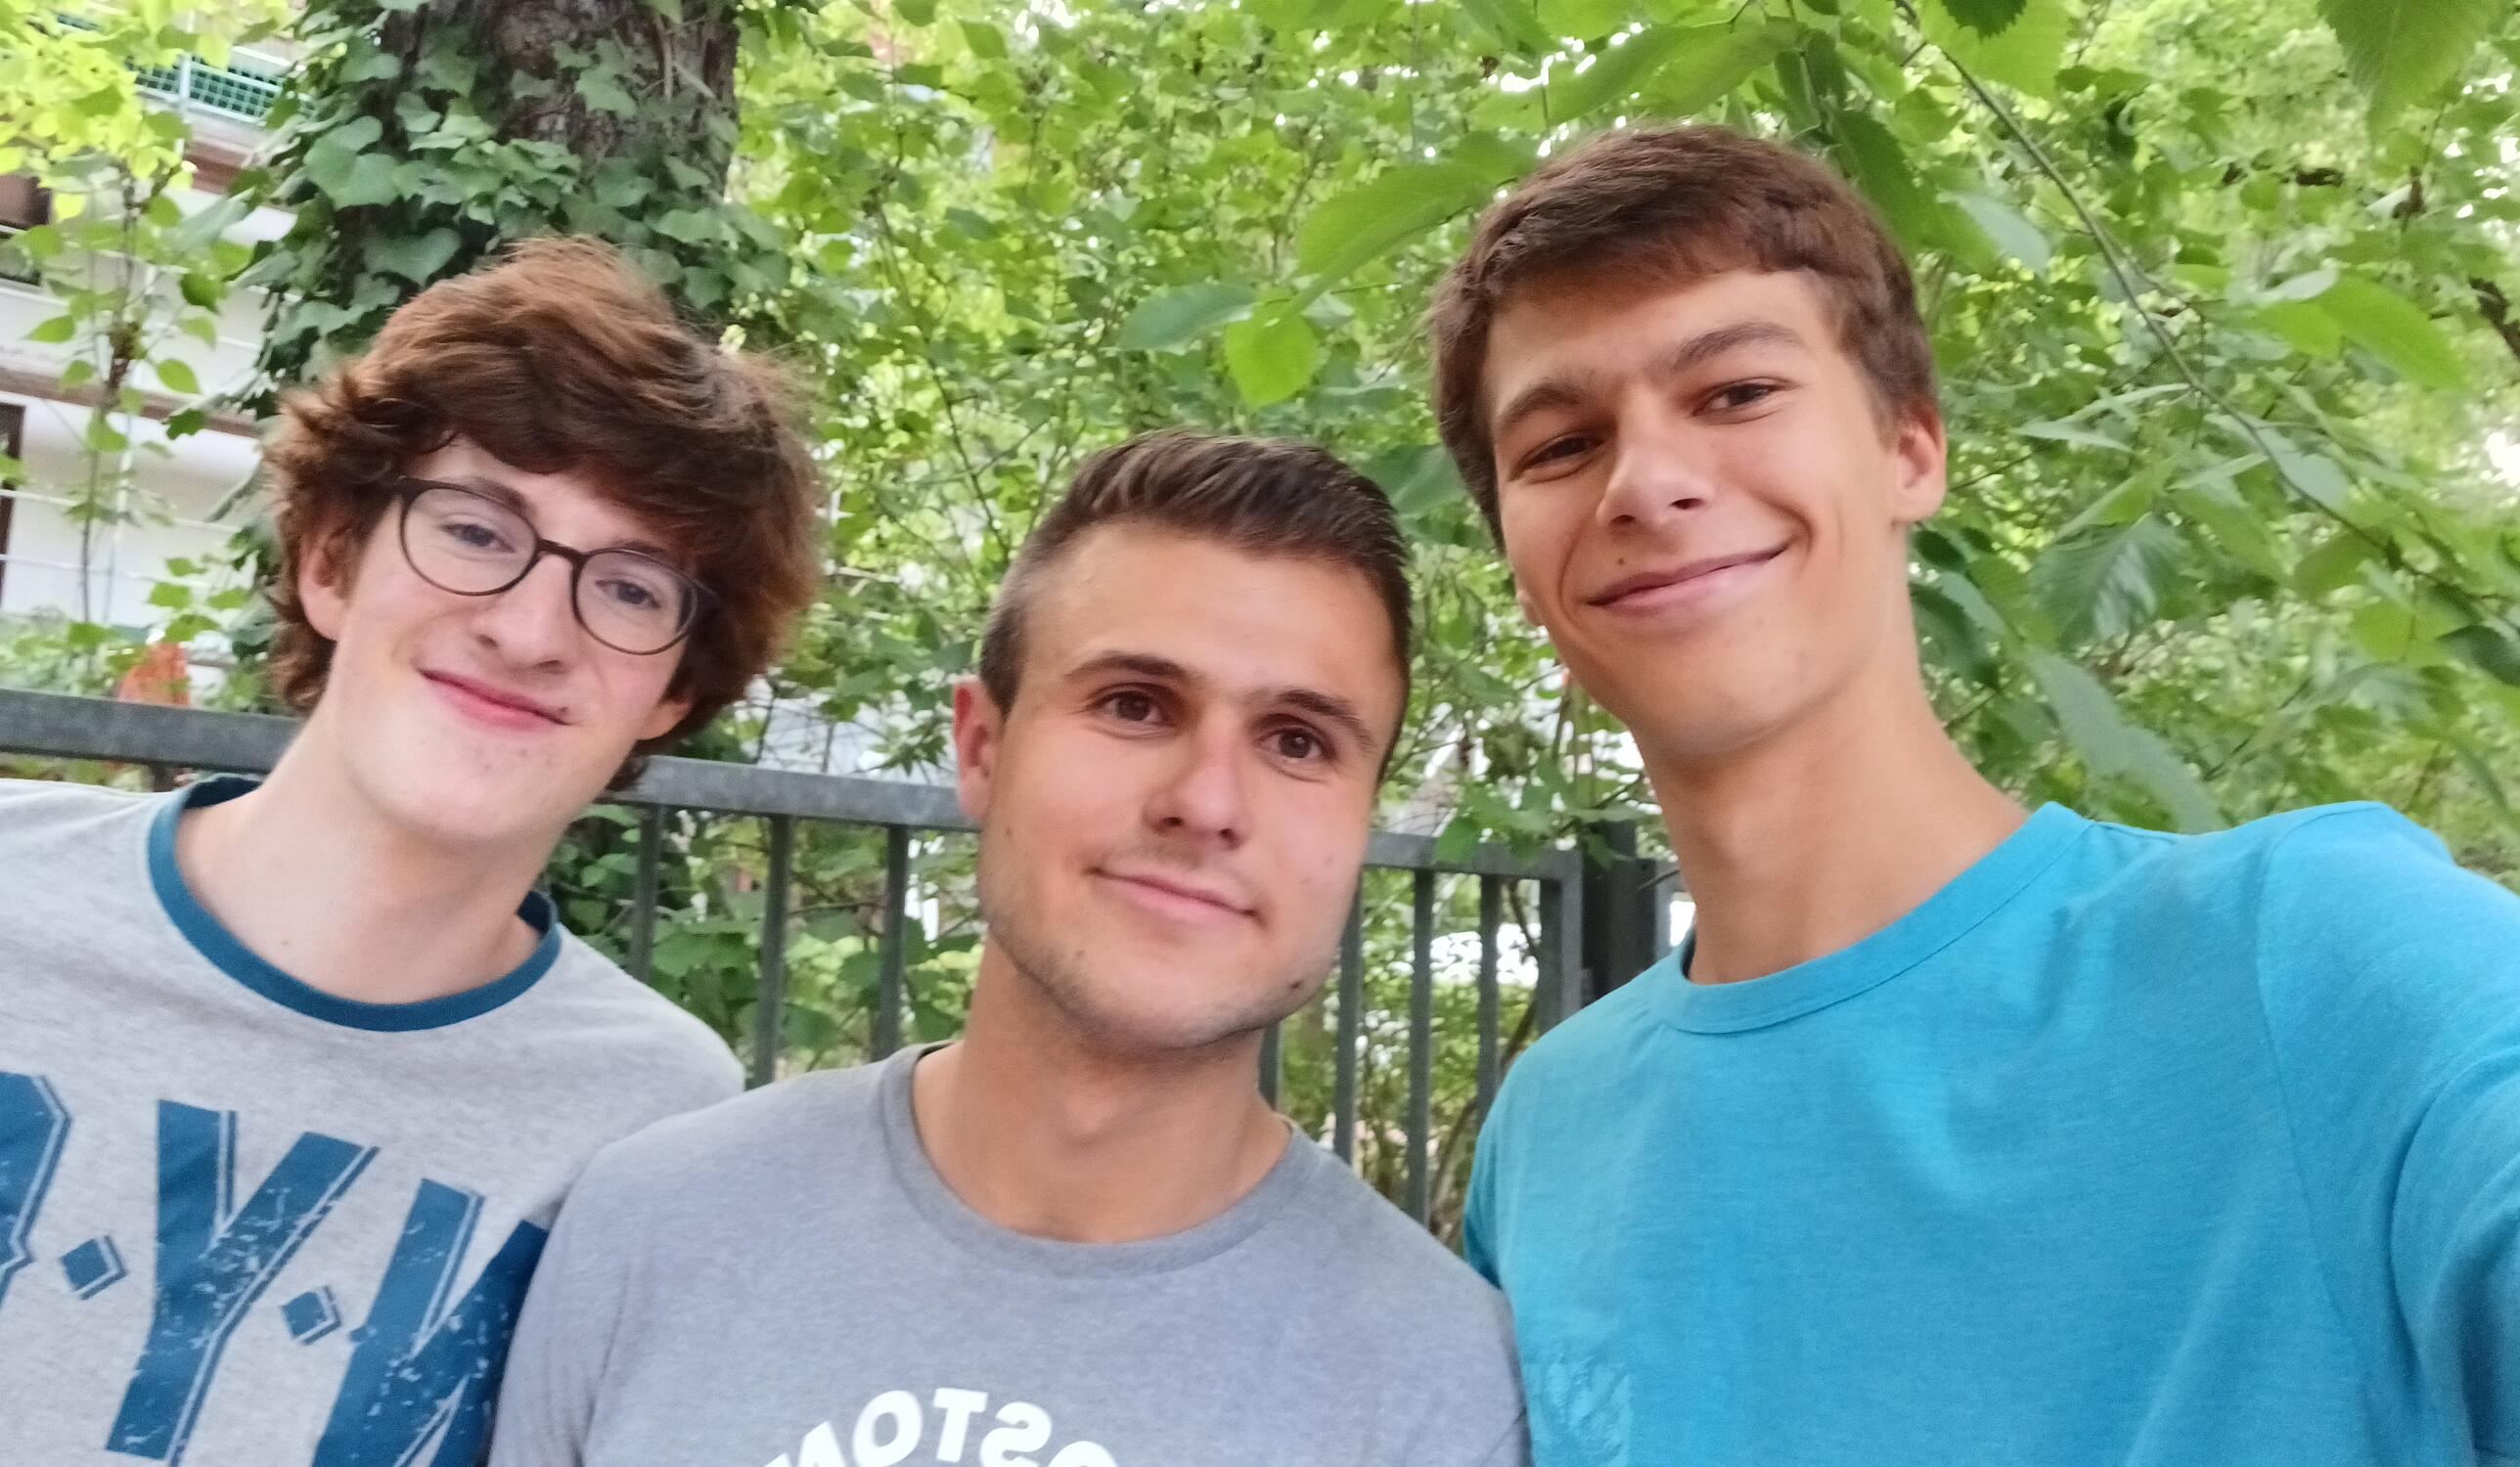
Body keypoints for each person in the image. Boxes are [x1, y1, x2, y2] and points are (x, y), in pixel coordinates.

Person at [1432, 124, 2520, 1466]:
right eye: (1559, 446)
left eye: (1737, 390)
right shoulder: (1549, 1131)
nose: (1645, 482)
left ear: (1910, 450)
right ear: (1515, 557)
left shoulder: (2316, 956)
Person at [490, 431, 1528, 1467]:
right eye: (1134, 705)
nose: (1208, 801)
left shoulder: (1447, 1393)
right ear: (982, 748)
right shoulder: (655, 1229)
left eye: (1299, 741)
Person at [0, 239, 821, 1464]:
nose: (532, 631)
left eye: (633, 589)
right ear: (331, 559)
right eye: (478, 531)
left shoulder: (654, 1123)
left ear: (672, 693)